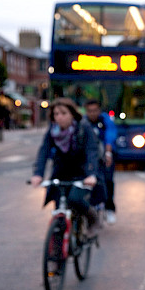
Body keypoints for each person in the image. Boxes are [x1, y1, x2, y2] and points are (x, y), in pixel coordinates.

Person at [31, 97, 102, 236]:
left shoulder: (84, 128)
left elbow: (91, 152)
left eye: (63, 113)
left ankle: (92, 218)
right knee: (59, 209)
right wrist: (38, 174)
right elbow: (43, 151)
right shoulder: (53, 131)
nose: (59, 117)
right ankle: (58, 252)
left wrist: (91, 174)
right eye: (56, 114)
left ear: (72, 114)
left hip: (81, 174)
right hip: (61, 174)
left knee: (75, 199)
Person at [84, 99, 117, 224]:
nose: (92, 113)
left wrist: (108, 153)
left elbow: (110, 136)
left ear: (99, 110)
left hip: (104, 156)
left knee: (107, 180)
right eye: (89, 111)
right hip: (89, 157)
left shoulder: (105, 120)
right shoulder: (83, 122)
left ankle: (110, 209)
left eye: (95, 111)